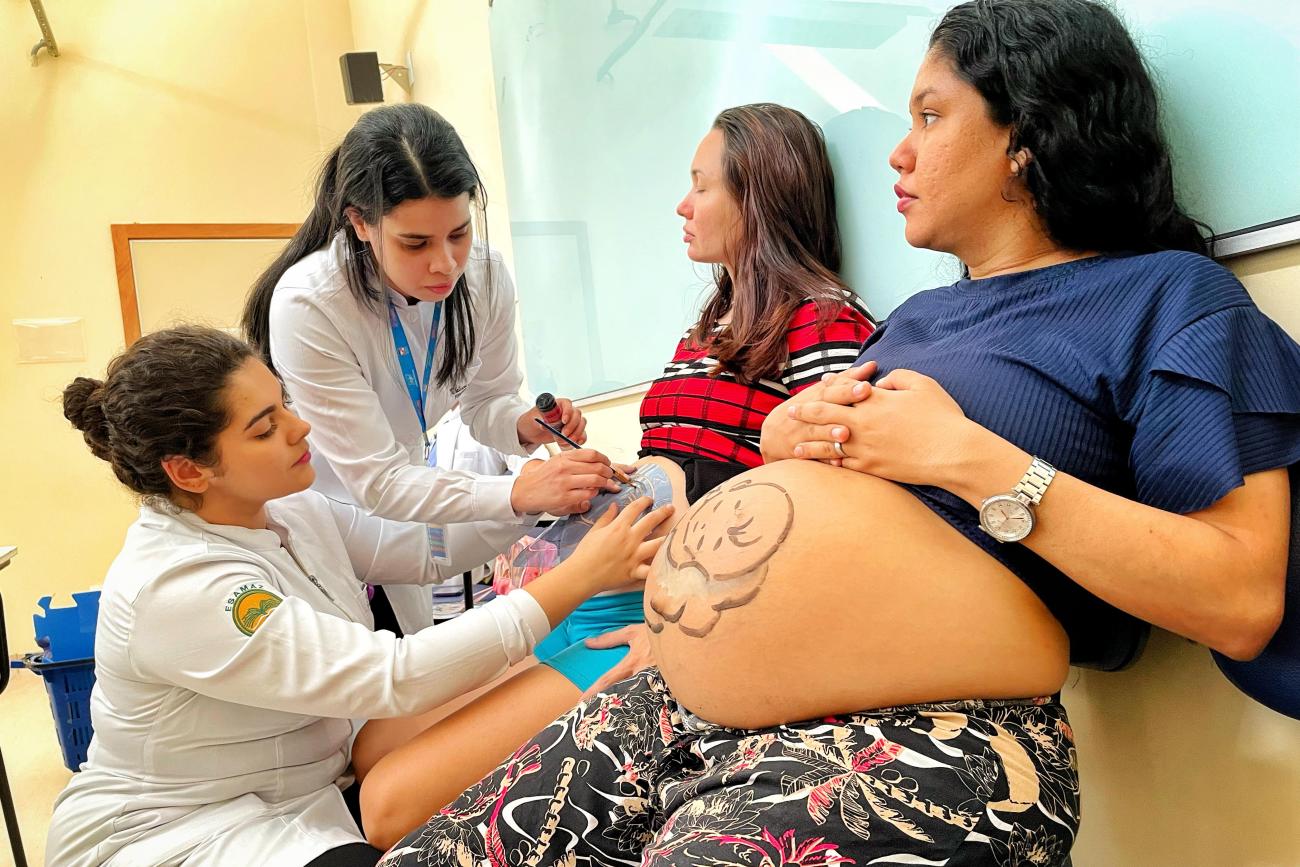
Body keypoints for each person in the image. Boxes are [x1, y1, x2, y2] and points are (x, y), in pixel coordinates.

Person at [377, 1, 1300, 864]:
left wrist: (969, 459)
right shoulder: (919, 320)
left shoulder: (1167, 298)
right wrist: (785, 447)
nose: (898, 152)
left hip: (929, 735)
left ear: (1024, 137)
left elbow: (1240, 597)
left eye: (930, 116)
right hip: (685, 698)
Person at [352, 103, 874, 848]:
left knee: (386, 802)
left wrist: (680, 634)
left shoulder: (824, 322)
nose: (682, 206)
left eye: (701, 186)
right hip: (584, 585)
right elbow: (694, 462)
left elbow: (833, 509)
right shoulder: (710, 327)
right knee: (371, 745)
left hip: (649, 614)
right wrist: (608, 475)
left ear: (760, 198)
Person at [44, 326, 672, 867]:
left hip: (308, 783)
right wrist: (579, 576)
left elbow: (422, 552)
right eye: (266, 429)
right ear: (189, 470)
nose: (300, 428)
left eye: (284, 404)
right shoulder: (177, 587)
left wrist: (528, 499)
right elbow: (393, 676)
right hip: (180, 831)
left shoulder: (286, 510)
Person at [242, 103, 620, 636]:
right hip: (324, 504)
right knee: (364, 663)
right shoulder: (311, 303)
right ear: (360, 223)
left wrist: (522, 426)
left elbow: (487, 401)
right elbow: (377, 482)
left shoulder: (484, 276)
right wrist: (518, 493)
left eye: (459, 233)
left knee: (414, 650)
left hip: (405, 497)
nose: (445, 263)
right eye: (415, 243)